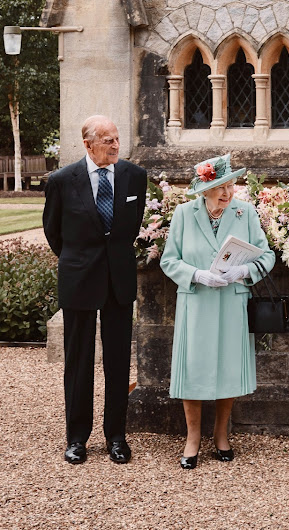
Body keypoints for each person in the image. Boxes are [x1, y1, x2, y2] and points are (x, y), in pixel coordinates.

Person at [160, 154, 275, 469]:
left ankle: (221, 434)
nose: (228, 193)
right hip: (196, 300)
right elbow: (169, 260)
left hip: (231, 300)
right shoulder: (184, 214)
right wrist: (197, 275)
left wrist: (243, 272)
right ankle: (193, 437)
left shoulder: (245, 212)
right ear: (204, 189)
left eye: (231, 185)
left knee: (227, 367)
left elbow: (267, 257)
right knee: (193, 369)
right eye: (220, 187)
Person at [43, 115, 147, 464]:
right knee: (78, 361)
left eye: (117, 139)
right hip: (78, 278)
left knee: (118, 362)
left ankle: (116, 436)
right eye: (108, 141)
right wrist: (80, 261)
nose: (116, 146)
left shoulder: (135, 176)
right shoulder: (61, 180)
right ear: (88, 144)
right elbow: (53, 233)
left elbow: (130, 229)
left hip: (119, 280)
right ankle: (76, 439)